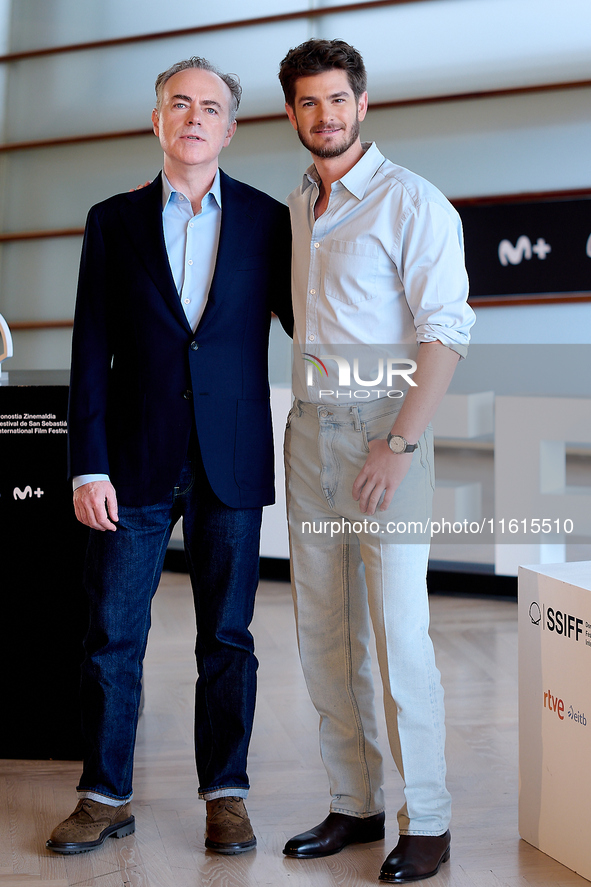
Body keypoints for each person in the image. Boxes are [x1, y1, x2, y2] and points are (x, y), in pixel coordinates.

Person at [46, 56, 292, 857]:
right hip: (132, 461)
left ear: (229, 126)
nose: (192, 116)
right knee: (112, 634)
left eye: (208, 106)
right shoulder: (110, 221)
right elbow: (90, 350)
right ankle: (104, 792)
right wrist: (88, 463)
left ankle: (226, 793)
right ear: (157, 122)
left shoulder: (267, 219)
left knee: (227, 637)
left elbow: (312, 319)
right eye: (177, 103)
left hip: (232, 459)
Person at [278, 39, 475, 882]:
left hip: (383, 434)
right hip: (310, 430)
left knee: (398, 635)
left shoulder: (411, 201)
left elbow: (447, 332)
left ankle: (423, 816)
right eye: (307, 103)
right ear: (292, 113)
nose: (324, 116)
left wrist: (397, 444)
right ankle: (352, 802)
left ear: (363, 103)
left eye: (337, 99)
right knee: (322, 632)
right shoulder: (297, 206)